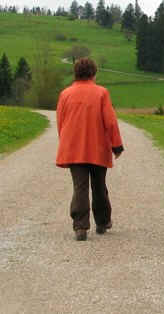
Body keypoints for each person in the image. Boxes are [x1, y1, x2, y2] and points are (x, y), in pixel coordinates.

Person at [55, 58, 124, 241]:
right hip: (98, 148)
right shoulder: (101, 93)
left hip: (73, 149)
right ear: (94, 73)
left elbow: (61, 123)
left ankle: (80, 227)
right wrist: (117, 145)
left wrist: (65, 142)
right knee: (99, 186)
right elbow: (110, 121)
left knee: (80, 187)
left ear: (76, 73)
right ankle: (102, 222)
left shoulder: (65, 94)